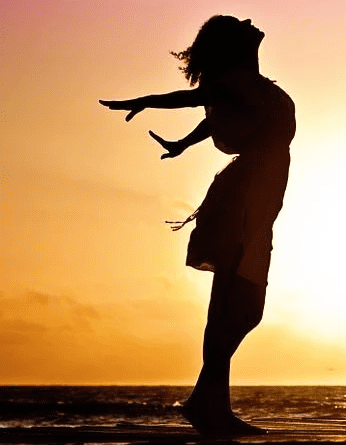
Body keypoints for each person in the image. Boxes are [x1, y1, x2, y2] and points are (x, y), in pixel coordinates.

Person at [100, 15, 295, 437]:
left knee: (234, 305)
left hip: (252, 200)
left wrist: (183, 144)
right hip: (242, 202)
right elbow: (196, 100)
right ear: (233, 44)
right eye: (238, 23)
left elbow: (214, 115)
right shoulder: (235, 80)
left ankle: (208, 404)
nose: (249, 21)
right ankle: (208, 404)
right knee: (240, 306)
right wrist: (148, 100)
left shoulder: (248, 86)